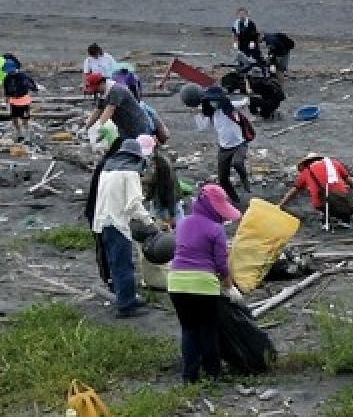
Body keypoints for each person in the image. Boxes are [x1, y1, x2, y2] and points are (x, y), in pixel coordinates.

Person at [168, 184, 244, 383]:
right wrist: (230, 287)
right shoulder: (215, 229)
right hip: (203, 285)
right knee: (208, 329)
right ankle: (212, 375)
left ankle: (189, 377)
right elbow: (221, 264)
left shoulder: (182, 223)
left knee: (188, 329)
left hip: (176, 282)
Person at [92, 136, 158, 318]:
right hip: (117, 222)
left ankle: (125, 296)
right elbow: (134, 204)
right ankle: (126, 305)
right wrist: (150, 224)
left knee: (115, 262)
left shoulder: (107, 169)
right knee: (124, 264)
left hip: (103, 221)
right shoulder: (130, 173)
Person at [196, 86, 252, 205]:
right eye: (210, 101)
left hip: (239, 144)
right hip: (224, 148)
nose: (213, 103)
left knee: (237, 163)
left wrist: (247, 96)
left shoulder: (231, 108)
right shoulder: (211, 113)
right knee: (223, 178)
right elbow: (201, 128)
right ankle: (235, 200)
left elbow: (245, 101)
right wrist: (198, 111)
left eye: (215, 100)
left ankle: (244, 179)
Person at [280, 152, 353, 226]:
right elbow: (351, 182)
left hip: (321, 204)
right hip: (343, 199)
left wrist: (281, 205)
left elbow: (294, 191)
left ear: (306, 163)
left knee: (327, 214)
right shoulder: (334, 163)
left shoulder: (306, 171)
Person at [2, 61, 38, 143]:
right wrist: (7, 99)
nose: (10, 72)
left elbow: (30, 84)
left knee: (24, 119)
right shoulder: (7, 78)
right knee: (14, 118)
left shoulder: (22, 76)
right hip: (14, 101)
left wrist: (34, 89)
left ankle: (27, 135)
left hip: (24, 100)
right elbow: (6, 90)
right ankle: (19, 134)